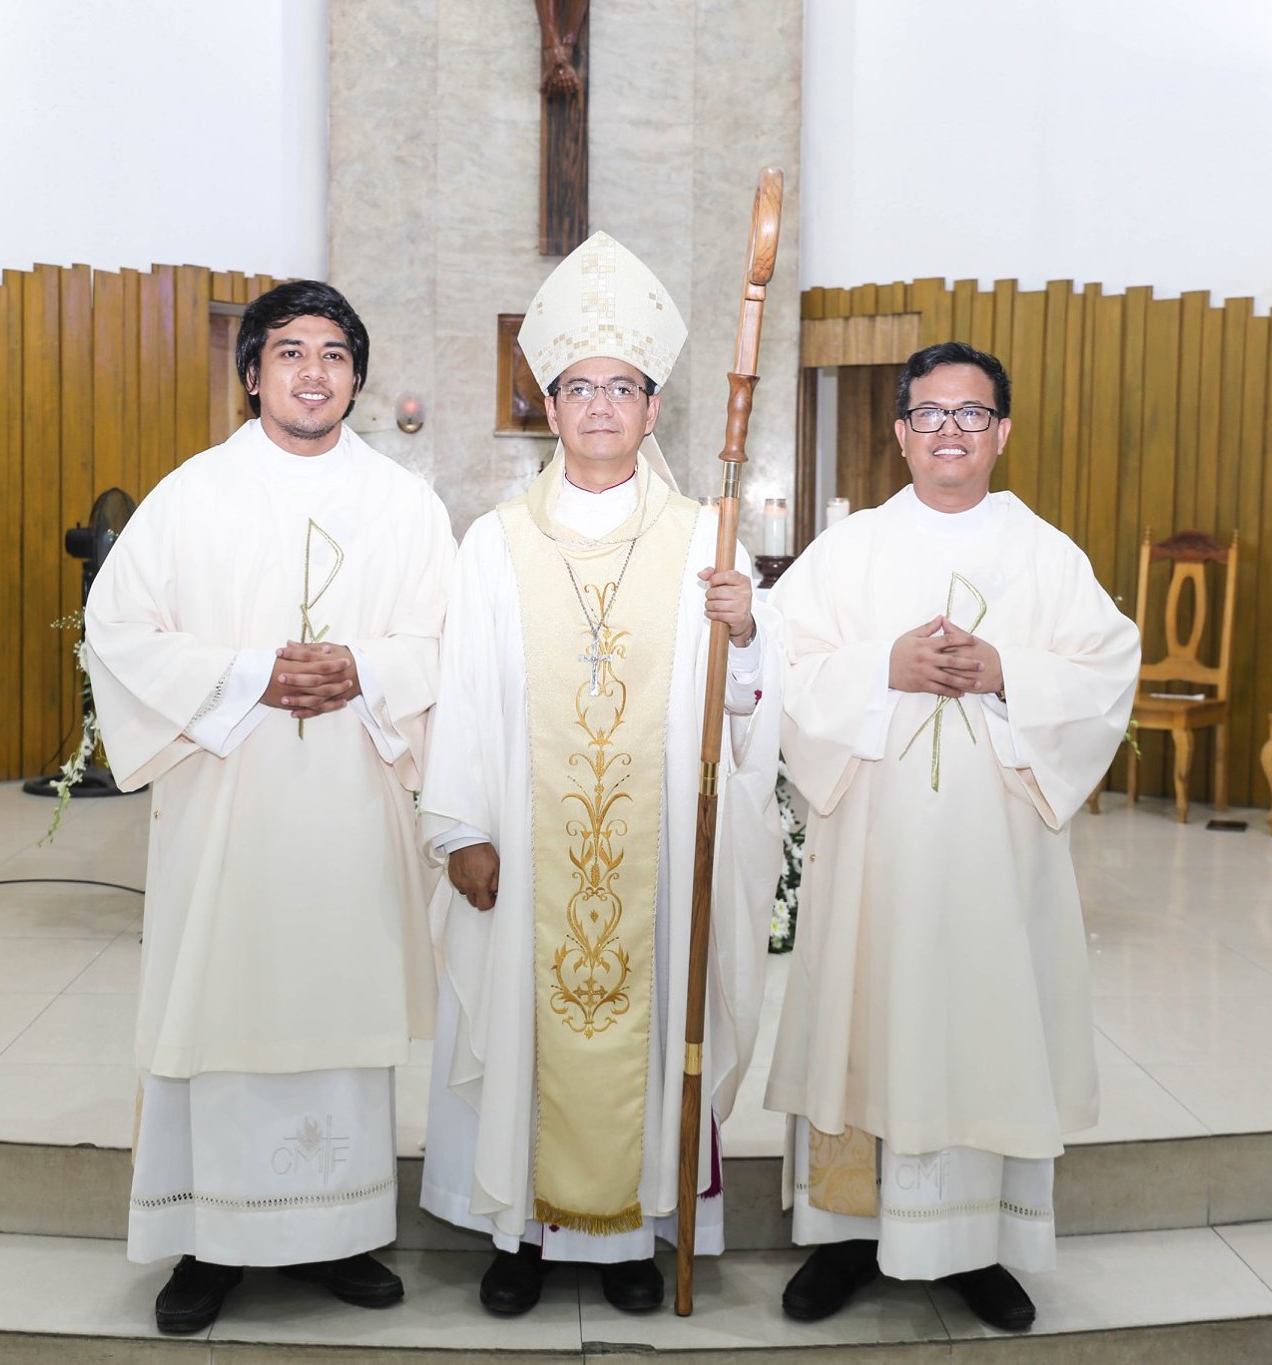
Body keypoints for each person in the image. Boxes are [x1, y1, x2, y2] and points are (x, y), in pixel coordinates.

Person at [417, 231, 784, 1317]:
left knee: (649, 1011)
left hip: (657, 850)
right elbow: (466, 693)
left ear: (651, 408)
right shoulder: (493, 542)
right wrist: (460, 830)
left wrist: (746, 630)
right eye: (578, 386)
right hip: (527, 849)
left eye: (621, 386)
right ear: (550, 403)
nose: (599, 406)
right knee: (524, 1020)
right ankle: (522, 1234)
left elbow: (745, 706)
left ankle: (629, 1238)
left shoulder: (699, 539)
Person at [83, 280, 455, 1335]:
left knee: (336, 1004)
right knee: (221, 1004)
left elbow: (447, 641)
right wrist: (251, 674)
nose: (311, 373)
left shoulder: (403, 503)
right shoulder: (192, 495)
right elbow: (120, 630)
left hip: (348, 794)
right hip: (228, 798)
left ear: (356, 378)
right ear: (251, 373)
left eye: (333, 354)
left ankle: (337, 1232)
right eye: (289, 352)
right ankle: (208, 1243)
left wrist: (362, 670)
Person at [764, 342, 1139, 1331]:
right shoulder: (847, 552)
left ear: (1002, 433)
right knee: (864, 1010)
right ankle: (844, 1236)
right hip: (871, 856)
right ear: (897, 435)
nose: (948, 434)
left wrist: (1007, 672)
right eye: (928, 415)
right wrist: (880, 667)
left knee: (981, 1015)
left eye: (970, 416)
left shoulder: (1046, 555)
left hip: (993, 851)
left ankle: (977, 1246)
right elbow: (784, 668)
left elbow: (1107, 668)